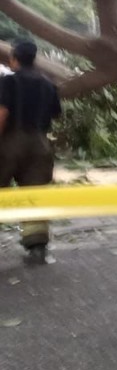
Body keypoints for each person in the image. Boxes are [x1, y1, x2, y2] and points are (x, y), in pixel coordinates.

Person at [0, 40, 63, 265]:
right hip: (39, 143)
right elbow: (56, 114)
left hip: (10, 142)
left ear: (14, 58)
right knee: (34, 196)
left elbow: (3, 113)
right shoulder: (48, 84)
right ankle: (37, 249)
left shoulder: (8, 81)